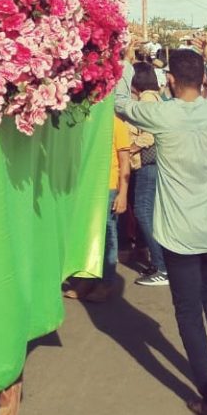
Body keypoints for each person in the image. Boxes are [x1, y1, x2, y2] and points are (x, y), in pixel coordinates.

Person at [116, 39, 207, 415]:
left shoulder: (163, 116)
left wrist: (125, 62)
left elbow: (120, 102)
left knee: (188, 310)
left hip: (179, 233)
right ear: (203, 78)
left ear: (169, 80)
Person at [122, 62, 168, 288]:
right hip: (151, 165)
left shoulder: (147, 100)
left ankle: (162, 266)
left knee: (143, 212)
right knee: (145, 211)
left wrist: (129, 148)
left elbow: (149, 133)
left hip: (148, 165)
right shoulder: (154, 98)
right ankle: (158, 262)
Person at [82, 111, 133, 303]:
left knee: (108, 235)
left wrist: (123, 193)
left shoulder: (117, 124)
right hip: (88, 187)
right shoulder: (88, 120)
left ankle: (107, 282)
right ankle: (87, 279)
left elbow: (125, 161)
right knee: (87, 235)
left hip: (109, 187)